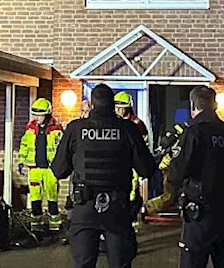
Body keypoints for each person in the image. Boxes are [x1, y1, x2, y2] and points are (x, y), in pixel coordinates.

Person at [51, 83, 154, 268]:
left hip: (84, 209)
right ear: (113, 105)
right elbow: (146, 170)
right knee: (120, 264)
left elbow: (59, 170)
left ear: (91, 105)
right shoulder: (128, 129)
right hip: (117, 209)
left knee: (83, 264)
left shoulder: (76, 129)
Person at [169, 87, 224, 268]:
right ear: (215, 105)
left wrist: (172, 197)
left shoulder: (194, 133)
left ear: (193, 105)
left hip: (200, 214)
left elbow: (178, 172)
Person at [18, 97, 65, 234]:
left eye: (40, 115)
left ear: (47, 114)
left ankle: (54, 227)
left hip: (50, 170)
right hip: (34, 169)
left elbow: (61, 150)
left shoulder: (57, 130)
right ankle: (36, 226)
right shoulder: (30, 129)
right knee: (35, 199)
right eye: (35, 114)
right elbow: (24, 146)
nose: (37, 118)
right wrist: (21, 161)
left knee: (52, 199)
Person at [113, 92, 149, 220]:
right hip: (116, 164)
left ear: (127, 107)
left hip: (131, 165)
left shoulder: (137, 124)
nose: (118, 110)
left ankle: (132, 223)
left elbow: (143, 146)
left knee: (131, 193)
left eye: (121, 107)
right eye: (116, 107)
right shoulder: (113, 123)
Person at [143, 123, 187, 215]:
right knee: (169, 196)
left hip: (171, 165)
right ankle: (147, 208)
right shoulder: (190, 132)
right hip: (170, 166)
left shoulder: (183, 129)